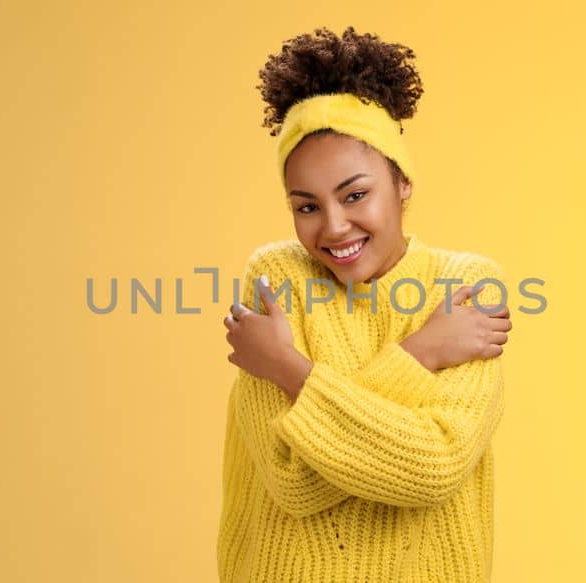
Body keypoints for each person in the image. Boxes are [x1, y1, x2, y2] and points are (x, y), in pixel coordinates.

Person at [216, 26, 514, 582]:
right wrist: (422, 352)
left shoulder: (469, 285)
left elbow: (433, 466)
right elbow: (293, 481)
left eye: (355, 195)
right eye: (306, 206)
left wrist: (287, 367)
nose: (333, 227)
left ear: (402, 183)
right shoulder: (275, 278)